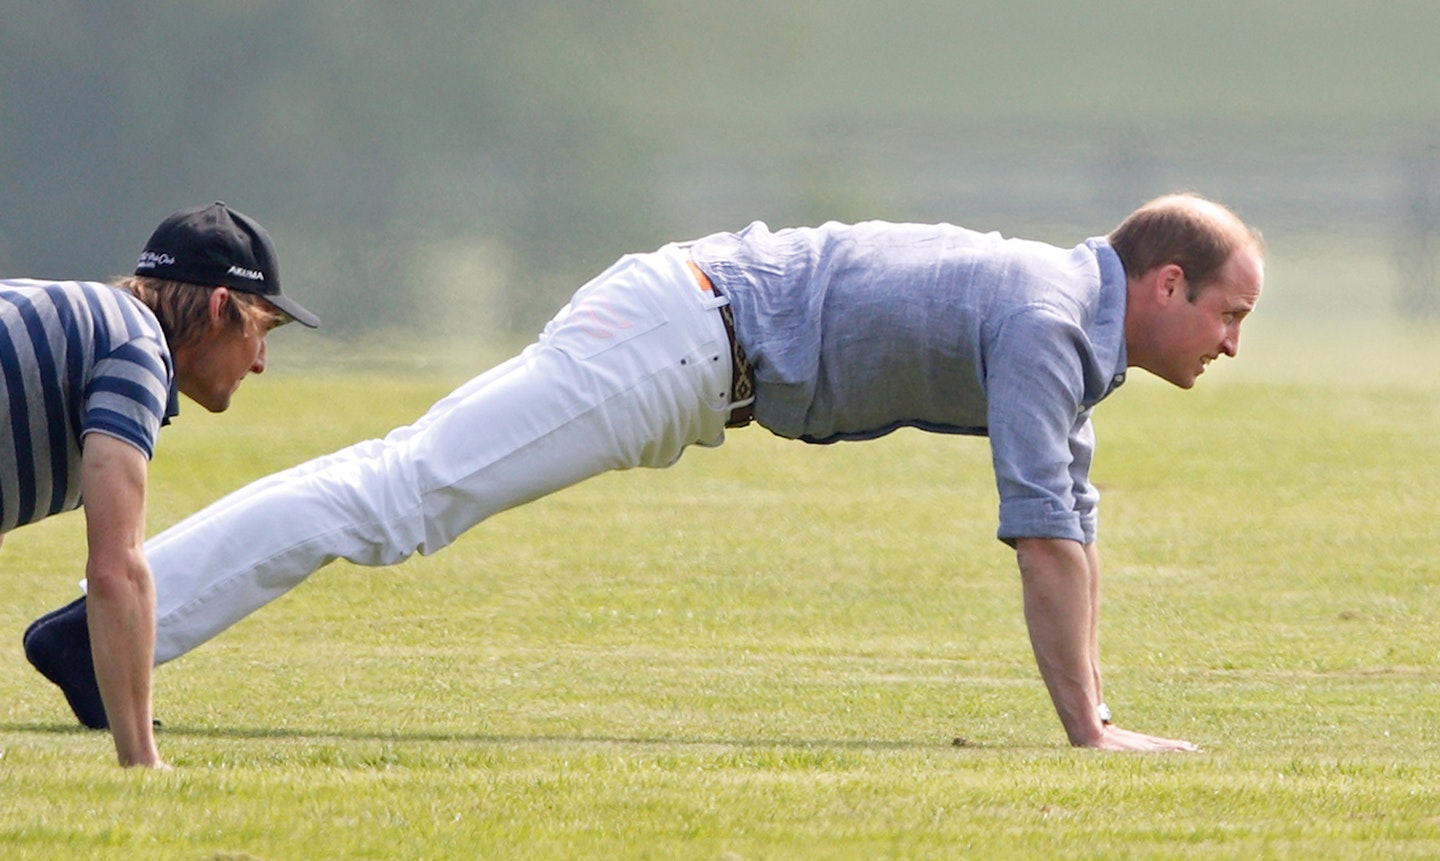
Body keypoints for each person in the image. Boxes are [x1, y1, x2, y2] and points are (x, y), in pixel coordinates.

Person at [24, 192, 1262, 753]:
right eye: (1227, 314)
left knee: (398, 492)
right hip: (679, 336)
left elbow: (1073, 524)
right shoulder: (1054, 320)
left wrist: (1094, 721)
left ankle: (101, 637)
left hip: (689, 336)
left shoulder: (1066, 323)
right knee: (399, 497)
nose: (1231, 344)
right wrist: (1091, 736)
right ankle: (98, 639)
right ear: (1164, 285)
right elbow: (1045, 541)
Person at [6, 202, 320, 768]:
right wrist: (141, 761)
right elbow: (116, 569)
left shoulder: (80, 324)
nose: (260, 363)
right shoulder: (133, 350)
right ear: (222, 307)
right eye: (262, 331)